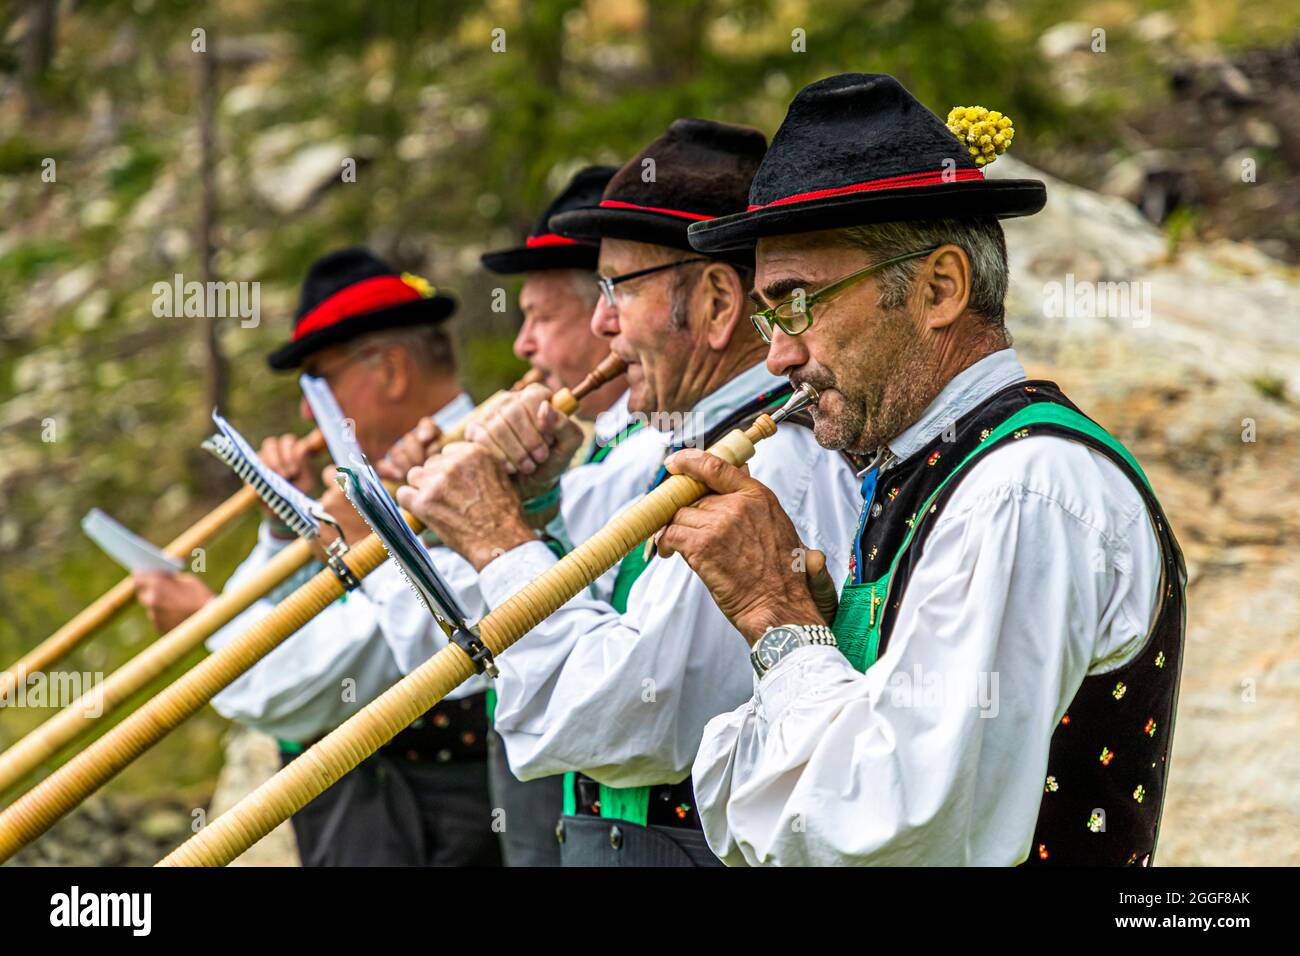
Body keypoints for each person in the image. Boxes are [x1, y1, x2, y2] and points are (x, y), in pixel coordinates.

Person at [659, 72, 1186, 866]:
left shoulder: (1022, 492)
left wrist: (777, 618)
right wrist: (816, 633)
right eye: (768, 312)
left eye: (799, 300)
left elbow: (898, 826)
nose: (778, 354)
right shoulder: (938, 475)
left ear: (939, 289)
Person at [396, 119, 864, 866]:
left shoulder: (766, 465)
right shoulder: (697, 451)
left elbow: (630, 721)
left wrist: (497, 537)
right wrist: (534, 513)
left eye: (616, 288)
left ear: (716, 303)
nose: (600, 323)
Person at [136, 247, 501, 866]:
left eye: (318, 380)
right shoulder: (381, 480)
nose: (308, 410)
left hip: (444, 827)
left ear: (387, 369)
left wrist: (209, 621)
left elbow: (293, 687)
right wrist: (286, 533)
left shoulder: (470, 468)